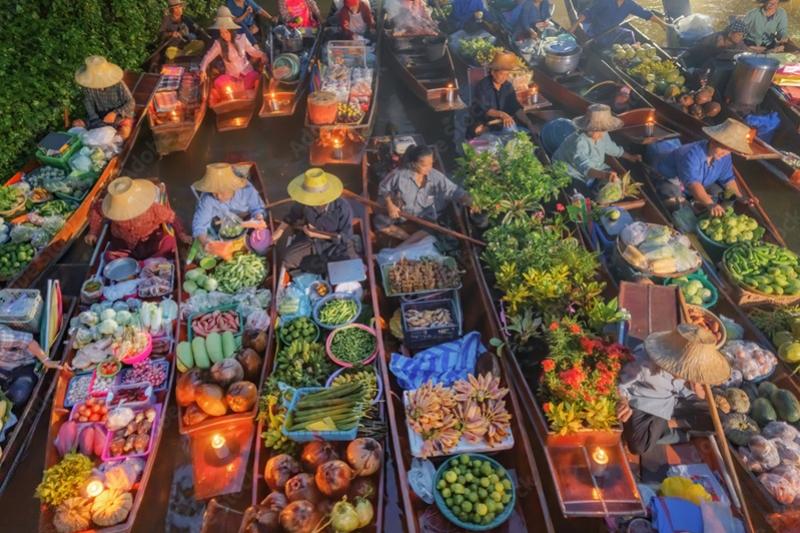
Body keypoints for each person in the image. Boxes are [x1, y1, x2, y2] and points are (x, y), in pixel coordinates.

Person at [617, 324, 726, 455]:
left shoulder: (688, 368)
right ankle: (665, 427)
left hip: (673, 398)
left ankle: (666, 426)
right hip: (647, 405)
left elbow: (684, 388)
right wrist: (622, 400)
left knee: (718, 419)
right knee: (640, 446)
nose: (686, 376)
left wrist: (696, 389)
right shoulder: (642, 365)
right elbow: (620, 385)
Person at [655, 118, 757, 216]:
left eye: (730, 150)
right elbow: (694, 184)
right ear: (713, 141)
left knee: (724, 196)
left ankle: (697, 202)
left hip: (701, 183)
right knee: (680, 208)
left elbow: (728, 180)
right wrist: (710, 204)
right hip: (672, 182)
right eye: (723, 148)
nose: (725, 153)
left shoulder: (725, 156)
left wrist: (741, 197)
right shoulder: (691, 154)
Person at [376, 145, 474, 239]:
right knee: (380, 222)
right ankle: (408, 239)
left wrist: (470, 201)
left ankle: (414, 241)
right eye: (424, 165)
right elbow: (383, 187)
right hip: (403, 213)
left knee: (433, 230)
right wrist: (390, 205)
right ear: (414, 164)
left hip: (424, 215)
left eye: (431, 164)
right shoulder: (399, 174)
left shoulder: (435, 176)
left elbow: (454, 191)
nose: (429, 168)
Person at [85, 177, 190, 259]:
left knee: (169, 242)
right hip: (123, 245)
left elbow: (172, 217)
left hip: (150, 242)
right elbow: (96, 210)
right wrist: (93, 232)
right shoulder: (110, 208)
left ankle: (149, 261)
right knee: (107, 257)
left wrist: (182, 234)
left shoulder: (153, 209)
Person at [272, 169, 356, 271]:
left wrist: (316, 234)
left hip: (335, 244)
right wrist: (278, 232)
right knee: (287, 260)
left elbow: (345, 237)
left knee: (348, 266)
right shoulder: (304, 201)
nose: (312, 203)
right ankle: (319, 264)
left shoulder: (342, 207)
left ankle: (319, 265)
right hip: (311, 241)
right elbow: (291, 216)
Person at [552, 104, 642, 189]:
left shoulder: (602, 132)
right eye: (598, 131)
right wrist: (605, 175)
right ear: (589, 129)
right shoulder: (579, 143)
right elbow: (585, 168)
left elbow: (611, 147)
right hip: (571, 171)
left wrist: (630, 157)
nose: (602, 135)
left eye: (603, 130)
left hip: (595, 164)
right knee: (582, 192)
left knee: (617, 181)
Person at [191, 163, 268, 254]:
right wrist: (206, 244)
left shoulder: (246, 190)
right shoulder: (207, 198)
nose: (218, 196)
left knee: (262, 247)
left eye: (222, 192)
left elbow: (257, 209)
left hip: (246, 219)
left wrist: (258, 219)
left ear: (233, 187)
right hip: (222, 222)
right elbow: (199, 225)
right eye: (214, 193)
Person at [200, 7, 267, 94]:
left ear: (231, 31)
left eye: (226, 32)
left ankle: (241, 91)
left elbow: (252, 51)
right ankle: (241, 91)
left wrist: (262, 55)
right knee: (218, 82)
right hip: (232, 78)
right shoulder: (218, 44)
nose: (224, 35)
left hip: (247, 74)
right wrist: (203, 70)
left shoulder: (242, 38)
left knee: (254, 76)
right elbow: (208, 56)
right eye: (221, 33)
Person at [468, 51, 534, 138]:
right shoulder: (483, 86)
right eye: (502, 74)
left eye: (507, 74)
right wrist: (502, 114)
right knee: (479, 131)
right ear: (492, 72)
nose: (505, 77)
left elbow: (516, 107)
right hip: (485, 122)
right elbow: (485, 109)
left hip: (503, 123)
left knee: (524, 132)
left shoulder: (508, 86)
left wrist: (529, 122)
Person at [73, 56, 135, 140]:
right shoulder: (88, 87)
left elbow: (131, 102)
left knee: (124, 133)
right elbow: (89, 105)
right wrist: (97, 121)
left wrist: (115, 112)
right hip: (99, 117)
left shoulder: (118, 84)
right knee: (76, 124)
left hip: (119, 117)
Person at [568, 0, 671, 47]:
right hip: (596, 31)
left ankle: (630, 52)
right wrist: (574, 27)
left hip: (612, 29)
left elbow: (646, 14)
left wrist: (662, 24)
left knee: (629, 34)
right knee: (604, 43)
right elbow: (587, 13)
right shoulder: (605, 1)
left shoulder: (630, 4)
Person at [684, 19, 750, 69]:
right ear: (730, 34)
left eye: (743, 35)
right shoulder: (714, 40)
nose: (742, 37)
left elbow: (746, 50)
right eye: (739, 35)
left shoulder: (738, 43)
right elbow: (696, 49)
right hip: (698, 61)